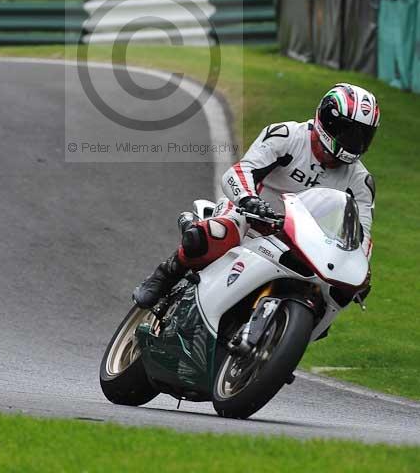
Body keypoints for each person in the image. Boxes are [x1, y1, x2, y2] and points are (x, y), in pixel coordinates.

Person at [134, 83, 379, 309]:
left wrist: (359, 270)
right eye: (348, 132)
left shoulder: (361, 182)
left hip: (305, 245)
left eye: (361, 135)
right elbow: (242, 170)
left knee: (334, 297)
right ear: (328, 121)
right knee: (211, 236)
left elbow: (362, 236)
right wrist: (248, 199)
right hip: (249, 217)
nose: (353, 142)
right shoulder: (287, 136)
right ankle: (166, 274)